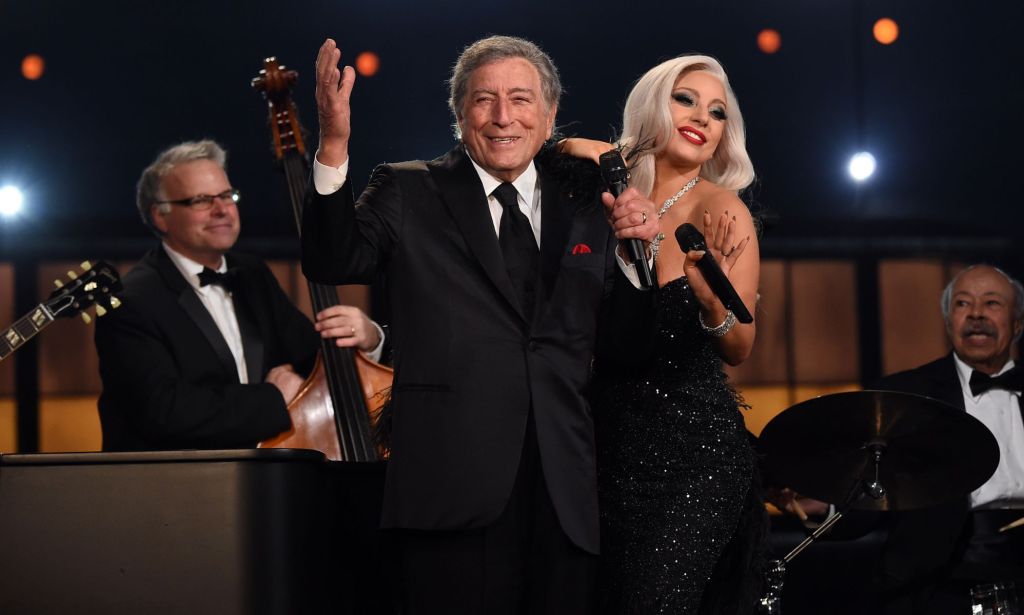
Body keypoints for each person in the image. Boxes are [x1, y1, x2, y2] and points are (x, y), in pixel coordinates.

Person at [302, 35, 660, 614]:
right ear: (458, 112)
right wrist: (334, 146)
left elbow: (627, 347)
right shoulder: (406, 188)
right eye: (483, 100)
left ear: (549, 114)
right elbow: (332, 259)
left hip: (564, 496)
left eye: (521, 99)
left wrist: (639, 261)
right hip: (448, 490)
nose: (502, 118)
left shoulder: (591, 204)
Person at [562, 54, 765, 613]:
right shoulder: (595, 193)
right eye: (685, 99)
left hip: (691, 459)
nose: (702, 116)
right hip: (597, 449)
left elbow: (741, 347)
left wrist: (707, 302)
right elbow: (551, 149)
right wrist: (611, 159)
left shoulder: (724, 212)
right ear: (653, 103)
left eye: (718, 112)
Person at [95, 139, 383, 451]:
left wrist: (368, 338)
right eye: (202, 200)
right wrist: (272, 399)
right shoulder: (130, 300)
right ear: (160, 216)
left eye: (226, 196)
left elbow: (310, 355)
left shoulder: (250, 273)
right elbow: (163, 411)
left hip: (256, 480)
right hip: (171, 486)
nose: (222, 210)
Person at [870, 264, 1024, 614]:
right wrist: (828, 504)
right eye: (962, 304)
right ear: (948, 322)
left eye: (992, 303)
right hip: (940, 581)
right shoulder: (904, 395)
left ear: (1018, 324)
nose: (976, 315)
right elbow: (872, 490)